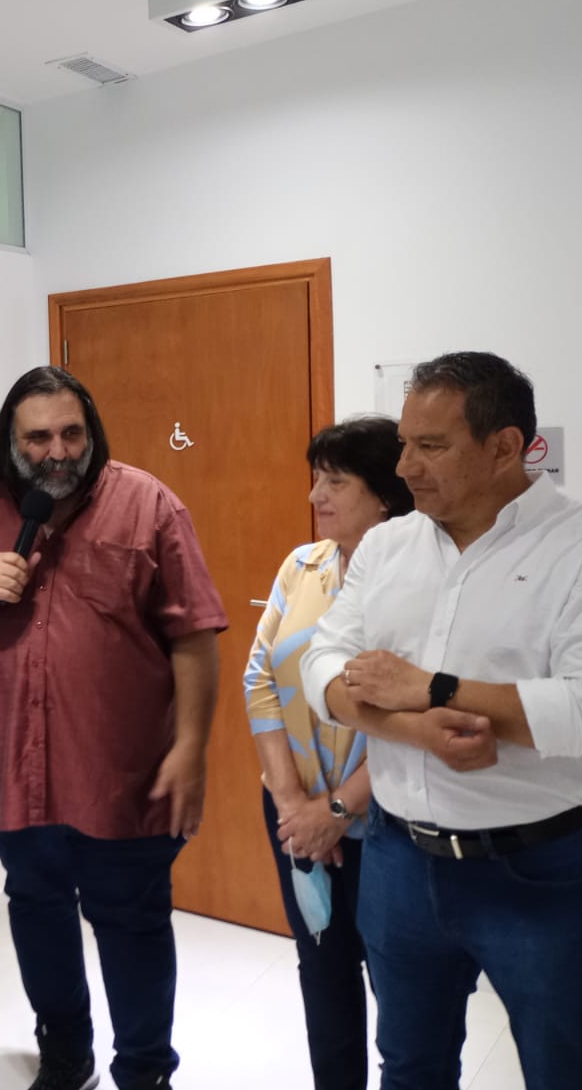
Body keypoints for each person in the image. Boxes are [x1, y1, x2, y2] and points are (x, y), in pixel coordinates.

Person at [302, 352, 582, 1090]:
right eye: (405, 443)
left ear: (505, 447)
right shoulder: (389, 546)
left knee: (568, 1074)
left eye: (431, 446)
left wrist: (430, 687)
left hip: (539, 871)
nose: (405, 466)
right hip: (399, 859)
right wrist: (414, 727)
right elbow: (322, 666)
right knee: (410, 1069)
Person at [0, 366, 228, 1090]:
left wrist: (191, 748)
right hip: (13, 773)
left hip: (123, 777)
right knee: (36, 910)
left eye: (72, 433)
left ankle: (144, 1071)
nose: (58, 451)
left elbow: (195, 635)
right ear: (10, 440)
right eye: (39, 437)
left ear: (91, 432)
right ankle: (66, 1053)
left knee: (132, 924)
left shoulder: (148, 504)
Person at [242, 419, 414, 1090]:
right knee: (323, 969)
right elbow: (259, 678)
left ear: (385, 496)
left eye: (336, 482)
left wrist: (336, 810)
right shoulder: (302, 565)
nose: (316, 495)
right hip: (294, 812)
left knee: (401, 986)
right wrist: (293, 805)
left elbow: (412, 715)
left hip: (387, 819)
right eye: (316, 479)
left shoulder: (418, 583)